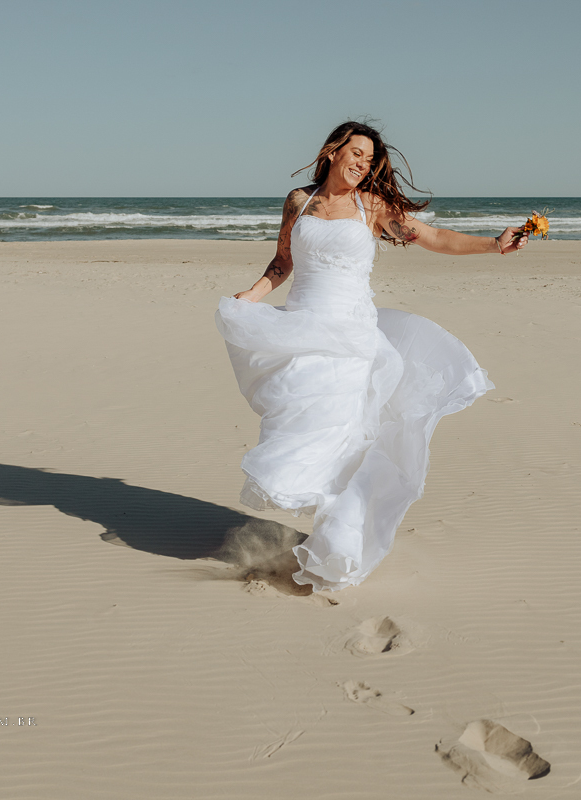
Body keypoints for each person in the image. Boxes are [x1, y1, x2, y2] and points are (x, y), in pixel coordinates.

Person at [215, 121, 528, 591]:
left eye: (370, 159)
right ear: (333, 151)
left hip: (353, 338)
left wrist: (494, 245)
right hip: (302, 332)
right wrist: (252, 295)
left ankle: (335, 548)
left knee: (347, 435)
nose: (362, 164)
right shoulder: (300, 201)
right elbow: (282, 262)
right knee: (309, 431)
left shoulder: (372, 205)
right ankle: (332, 535)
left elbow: (433, 237)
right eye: (356, 153)